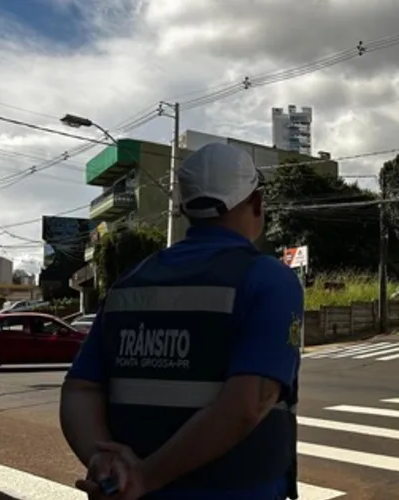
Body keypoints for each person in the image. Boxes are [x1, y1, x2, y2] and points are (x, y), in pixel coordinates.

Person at [59, 143, 303, 500]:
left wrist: (104, 460)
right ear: (257, 203)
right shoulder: (269, 279)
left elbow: (80, 390)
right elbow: (249, 403)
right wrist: (146, 477)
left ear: (184, 209)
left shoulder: (131, 281)